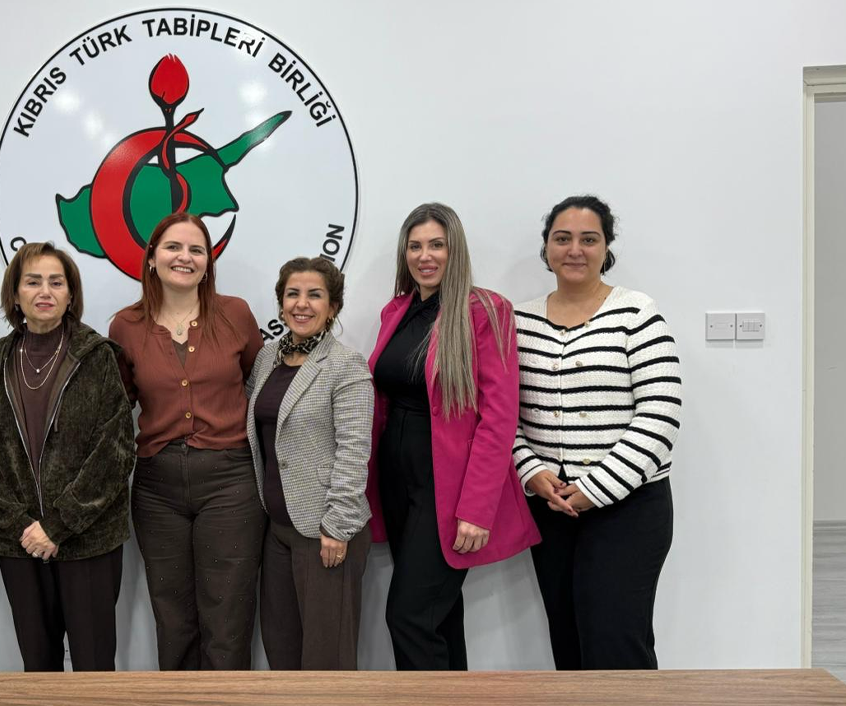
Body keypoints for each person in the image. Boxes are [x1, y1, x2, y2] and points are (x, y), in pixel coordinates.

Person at [366, 202, 540, 671]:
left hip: (446, 486)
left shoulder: (486, 310)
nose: (425, 256)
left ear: (455, 249)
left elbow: (499, 418)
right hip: (396, 480)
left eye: (437, 245)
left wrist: (477, 509)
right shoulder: (396, 310)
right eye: (415, 246)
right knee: (436, 618)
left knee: (408, 617)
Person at [513, 195, 680, 670]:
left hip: (628, 508)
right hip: (551, 506)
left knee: (616, 645)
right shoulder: (518, 321)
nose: (574, 250)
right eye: (562, 238)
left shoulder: (636, 313)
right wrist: (530, 471)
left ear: (606, 248)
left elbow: (660, 413)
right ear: (546, 247)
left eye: (589, 239)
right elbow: (502, 414)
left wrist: (596, 489)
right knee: (568, 645)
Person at [0, 242, 134, 672]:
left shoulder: (98, 357)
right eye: (33, 281)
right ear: (15, 293)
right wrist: (21, 525)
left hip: (88, 540)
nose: (45, 291)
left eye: (56, 282)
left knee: (94, 667)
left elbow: (115, 451)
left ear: (71, 295)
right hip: (19, 543)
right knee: (38, 668)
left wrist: (57, 525)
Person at [108, 212, 265, 670]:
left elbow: (260, 383)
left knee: (228, 615)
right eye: (173, 247)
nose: (185, 257)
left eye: (197, 249)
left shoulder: (235, 314)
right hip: (157, 488)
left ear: (208, 262)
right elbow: (118, 404)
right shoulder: (125, 326)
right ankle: (178, 699)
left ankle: (226, 701)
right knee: (173, 617)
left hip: (230, 482)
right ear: (152, 258)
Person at [245, 257, 373, 670]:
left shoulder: (345, 365)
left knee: (326, 660)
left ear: (332, 307)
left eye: (314, 295)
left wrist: (337, 526)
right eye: (292, 294)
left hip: (325, 532)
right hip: (277, 530)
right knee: (280, 648)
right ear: (281, 304)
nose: (302, 304)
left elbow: (354, 450)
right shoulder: (267, 358)